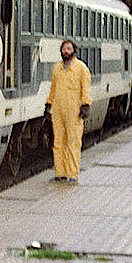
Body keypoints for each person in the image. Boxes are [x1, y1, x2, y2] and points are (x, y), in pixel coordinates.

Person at [44, 39, 92, 183]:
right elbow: (53, 88)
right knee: (58, 142)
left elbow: (86, 88)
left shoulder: (81, 68)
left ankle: (72, 174)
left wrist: (86, 104)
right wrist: (49, 103)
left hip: (74, 110)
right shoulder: (57, 68)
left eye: (69, 49)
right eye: (64, 49)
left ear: (74, 51)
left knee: (73, 142)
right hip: (58, 110)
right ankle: (60, 173)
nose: (66, 51)